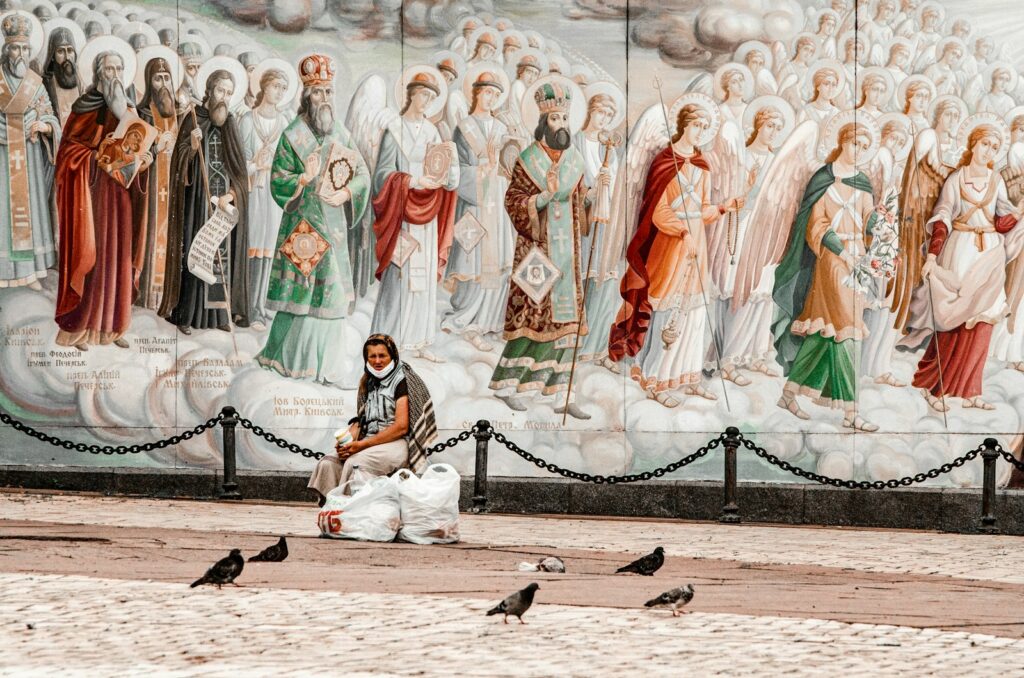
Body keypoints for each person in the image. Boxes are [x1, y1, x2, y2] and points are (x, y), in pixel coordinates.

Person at [256, 54, 370, 384]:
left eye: (329, 92)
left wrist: (346, 194)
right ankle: (291, 362)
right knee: (299, 296)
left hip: (332, 229)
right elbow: (279, 179)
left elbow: (362, 173)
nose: (324, 99)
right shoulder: (292, 135)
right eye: (318, 92)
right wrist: (303, 179)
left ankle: (327, 367)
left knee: (331, 297)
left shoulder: (340, 133)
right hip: (302, 227)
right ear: (307, 97)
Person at [773, 121, 879, 431]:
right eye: (855, 143)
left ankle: (788, 394)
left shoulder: (862, 182)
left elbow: (868, 218)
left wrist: (883, 226)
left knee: (827, 332)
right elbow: (816, 225)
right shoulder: (823, 179)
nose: (859, 150)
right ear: (843, 142)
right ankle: (851, 413)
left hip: (859, 260)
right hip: (833, 261)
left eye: (864, 147)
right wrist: (843, 253)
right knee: (848, 329)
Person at [159, 69, 251, 334]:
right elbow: (178, 165)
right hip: (197, 203)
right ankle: (186, 315)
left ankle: (219, 316)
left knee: (220, 255)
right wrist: (191, 146)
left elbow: (240, 173)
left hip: (222, 206)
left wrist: (231, 195)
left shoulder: (230, 124)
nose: (224, 97)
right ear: (209, 90)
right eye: (221, 90)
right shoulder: (193, 118)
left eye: (229, 93)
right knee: (196, 252)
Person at [307, 334, 438, 505]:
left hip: (399, 442)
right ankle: (332, 510)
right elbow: (361, 421)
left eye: (382, 355)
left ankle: (352, 509)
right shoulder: (368, 380)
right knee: (328, 464)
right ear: (366, 358)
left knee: (355, 464)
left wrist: (361, 445)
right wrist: (346, 443)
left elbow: (401, 427)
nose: (377, 361)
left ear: (392, 356)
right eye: (372, 356)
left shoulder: (403, 380)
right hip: (369, 440)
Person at [0, 14, 59, 291]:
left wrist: (44, 126)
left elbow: (50, 116)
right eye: (15, 48)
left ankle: (30, 273)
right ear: (6, 50)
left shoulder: (35, 83)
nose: (21, 54)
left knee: (29, 213)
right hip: (2, 163)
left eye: (25, 48)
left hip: (30, 160)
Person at [238, 66, 291, 330]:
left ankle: (261, 305)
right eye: (275, 86)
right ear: (264, 87)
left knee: (269, 248)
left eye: (283, 88)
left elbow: (289, 159)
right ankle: (249, 309)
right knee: (253, 248)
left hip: (274, 193)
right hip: (254, 190)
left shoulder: (284, 122)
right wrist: (256, 165)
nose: (279, 92)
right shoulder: (248, 120)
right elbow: (238, 161)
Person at [133, 54, 179, 312]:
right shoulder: (141, 114)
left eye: (166, 78)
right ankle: (146, 295)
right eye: (157, 78)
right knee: (150, 236)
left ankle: (169, 297)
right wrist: (155, 148)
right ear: (149, 82)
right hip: (150, 189)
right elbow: (133, 155)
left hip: (175, 188)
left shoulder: (180, 114)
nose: (163, 84)